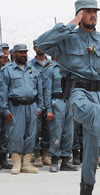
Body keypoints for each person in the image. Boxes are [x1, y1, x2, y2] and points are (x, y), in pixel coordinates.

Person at [36, 1, 100, 194]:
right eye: (89, 12)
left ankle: (86, 189)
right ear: (80, 13)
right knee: (89, 110)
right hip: (77, 90)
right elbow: (41, 43)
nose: (93, 15)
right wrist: (71, 24)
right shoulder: (67, 38)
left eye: (95, 12)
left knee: (93, 148)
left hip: (99, 92)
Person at [1, 44, 44, 174]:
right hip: (15, 107)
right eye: (20, 52)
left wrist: (40, 107)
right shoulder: (7, 70)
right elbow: (2, 92)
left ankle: (26, 163)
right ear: (14, 54)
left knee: (31, 134)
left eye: (25, 52)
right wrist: (5, 110)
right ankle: (16, 163)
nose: (23, 55)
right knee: (16, 134)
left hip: (32, 106)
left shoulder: (33, 70)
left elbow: (39, 90)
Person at [43, 59, 79, 172]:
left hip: (69, 103)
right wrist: (49, 109)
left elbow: (75, 88)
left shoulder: (70, 68)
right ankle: (54, 160)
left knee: (69, 133)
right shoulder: (51, 69)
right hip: (56, 102)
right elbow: (47, 90)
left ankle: (65, 161)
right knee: (56, 132)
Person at [29, 39, 52, 167]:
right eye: (38, 46)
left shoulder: (51, 64)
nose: (40, 48)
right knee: (36, 129)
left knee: (47, 128)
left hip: (50, 100)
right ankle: (36, 155)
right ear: (34, 49)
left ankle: (46, 154)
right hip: (36, 101)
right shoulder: (30, 65)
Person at [0, 48, 13, 170]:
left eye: (0, 58)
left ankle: (3, 159)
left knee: (5, 133)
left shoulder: (5, 71)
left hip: (4, 106)